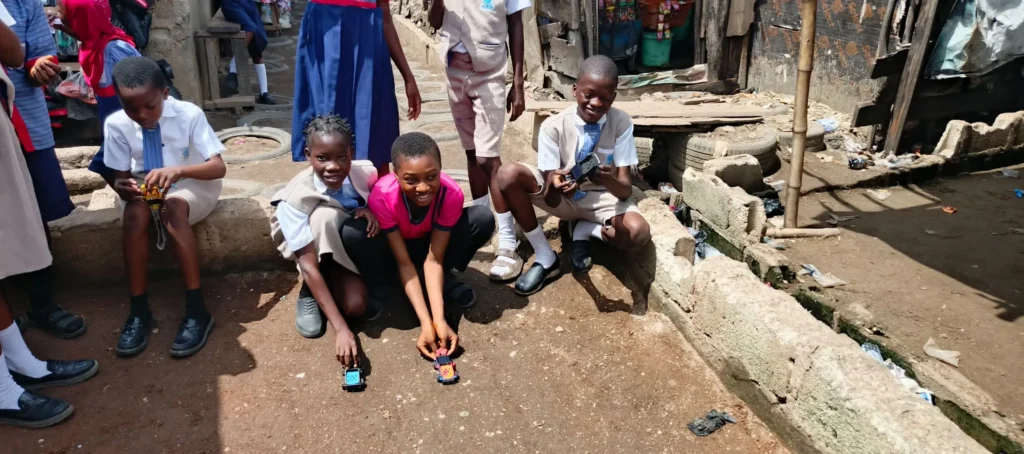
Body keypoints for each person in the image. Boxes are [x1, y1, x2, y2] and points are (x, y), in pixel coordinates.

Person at [0, 11, 98, 428]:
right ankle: (6, 387)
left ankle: (21, 359)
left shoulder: (20, 5)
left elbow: (17, 53)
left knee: (25, 222)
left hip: (15, 121)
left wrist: (37, 64)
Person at [494, 55, 650, 296]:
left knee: (638, 233)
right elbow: (550, 198)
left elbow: (624, 190)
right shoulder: (553, 126)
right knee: (506, 174)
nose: (596, 103)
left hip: (603, 199)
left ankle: (585, 230)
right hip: (563, 200)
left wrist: (608, 179)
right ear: (575, 90)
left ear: (614, 97)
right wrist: (555, 183)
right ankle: (545, 257)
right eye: (588, 95)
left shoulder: (621, 123)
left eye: (605, 98)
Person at [103, 57, 226, 358]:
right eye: (131, 108)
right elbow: (120, 178)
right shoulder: (116, 124)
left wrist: (178, 171)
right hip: (147, 189)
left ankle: (197, 309)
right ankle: (139, 310)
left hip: (194, 184)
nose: (141, 115)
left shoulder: (189, 114)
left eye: (150, 106)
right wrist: (123, 187)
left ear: (165, 93)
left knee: (172, 209)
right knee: (134, 215)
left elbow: (218, 167)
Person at [358, 132, 494, 359]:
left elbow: (434, 259)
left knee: (481, 218)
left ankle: (444, 278)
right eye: (411, 180)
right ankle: (386, 282)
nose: (423, 188)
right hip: (398, 250)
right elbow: (404, 263)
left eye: (432, 176)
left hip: (431, 246)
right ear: (395, 175)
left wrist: (438, 320)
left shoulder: (451, 194)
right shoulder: (382, 196)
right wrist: (425, 322)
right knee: (354, 233)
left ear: (440, 170)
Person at [427, 0, 529, 283]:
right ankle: (484, 222)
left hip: (490, 73)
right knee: (471, 152)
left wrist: (518, 83)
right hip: (454, 71)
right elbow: (435, 20)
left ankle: (508, 240)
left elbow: (516, 24)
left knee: (488, 157)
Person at [269, 114, 383, 367]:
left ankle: (343, 279)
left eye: (341, 157)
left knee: (356, 306)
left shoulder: (366, 173)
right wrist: (340, 329)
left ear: (351, 152)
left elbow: (382, 201)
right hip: (311, 252)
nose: (333, 166)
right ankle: (309, 291)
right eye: (322, 158)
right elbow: (307, 262)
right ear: (308, 155)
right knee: (324, 217)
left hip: (343, 243)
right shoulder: (294, 198)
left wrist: (366, 208)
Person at [1, 0, 84, 339]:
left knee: (34, 212)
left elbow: (38, 56)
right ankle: (7, 318)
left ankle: (42, 303)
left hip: (23, 121)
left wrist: (40, 68)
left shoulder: (23, 4)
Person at [291, 0, 421, 177]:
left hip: (368, 46)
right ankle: (330, 188)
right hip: (323, 42)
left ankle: (376, 189)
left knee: (373, 126)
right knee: (326, 126)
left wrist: (408, 78)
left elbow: (386, 19)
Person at [51, 0, 142, 188]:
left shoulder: (114, 49)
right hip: (110, 116)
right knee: (115, 162)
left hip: (127, 116)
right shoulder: (93, 42)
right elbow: (85, 30)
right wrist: (61, 26)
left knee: (111, 162)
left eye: (62, 14)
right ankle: (132, 195)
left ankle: (134, 196)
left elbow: (142, 82)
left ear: (79, 20)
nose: (58, 16)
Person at [221, 0, 275, 104]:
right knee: (250, 29)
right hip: (232, 4)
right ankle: (233, 69)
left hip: (248, 4)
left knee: (258, 39)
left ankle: (264, 92)